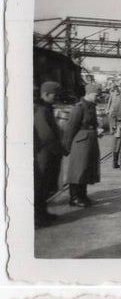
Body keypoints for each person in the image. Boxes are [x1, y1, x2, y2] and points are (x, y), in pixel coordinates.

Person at [33, 81, 68, 227]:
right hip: (44, 154)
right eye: (55, 94)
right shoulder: (41, 110)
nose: (57, 97)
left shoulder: (46, 108)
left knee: (46, 184)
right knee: (40, 185)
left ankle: (43, 212)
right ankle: (38, 217)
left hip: (48, 153)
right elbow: (46, 135)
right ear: (46, 94)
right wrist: (59, 150)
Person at [63, 82, 102, 207]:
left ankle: (83, 195)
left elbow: (92, 123)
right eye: (96, 95)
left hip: (89, 142)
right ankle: (74, 197)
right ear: (89, 94)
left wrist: (97, 130)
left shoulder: (91, 106)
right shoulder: (79, 107)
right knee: (78, 170)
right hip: (80, 143)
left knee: (86, 169)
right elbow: (70, 128)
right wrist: (66, 146)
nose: (98, 97)